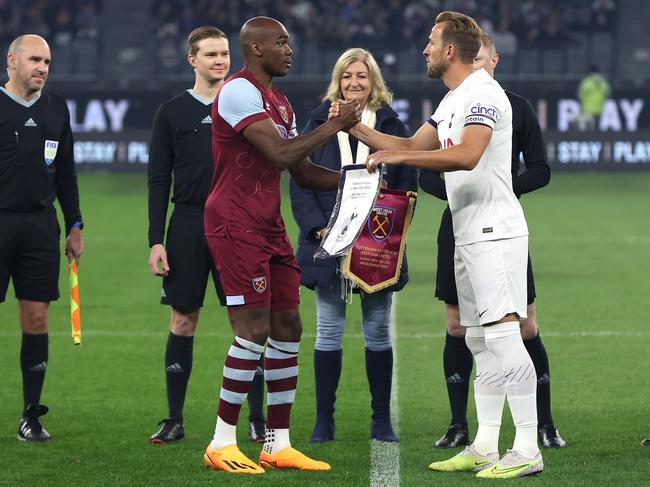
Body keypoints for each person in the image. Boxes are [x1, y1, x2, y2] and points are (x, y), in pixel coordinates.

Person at [335, 11, 544, 478]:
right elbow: (408, 141)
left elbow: (468, 154)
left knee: (505, 336)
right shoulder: (454, 97)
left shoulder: (484, 94)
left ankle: (528, 447)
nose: (424, 50)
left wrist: (403, 155)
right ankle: (486, 444)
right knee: (477, 338)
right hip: (467, 231)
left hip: (494, 231)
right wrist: (353, 128)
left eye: (431, 42)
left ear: (451, 50)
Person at [201, 16, 361, 474]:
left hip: (267, 224)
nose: (289, 50)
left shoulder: (280, 102)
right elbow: (281, 155)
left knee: (288, 327)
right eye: (281, 43)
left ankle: (277, 443)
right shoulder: (238, 92)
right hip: (234, 223)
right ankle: (221, 442)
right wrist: (337, 125)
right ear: (255, 48)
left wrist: (361, 184)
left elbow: (304, 171)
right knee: (252, 331)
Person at [419, 32, 565, 450]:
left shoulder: (506, 104)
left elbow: (539, 168)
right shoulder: (450, 104)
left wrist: (500, 187)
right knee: (465, 331)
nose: (477, 65)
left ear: (493, 60)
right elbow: (426, 164)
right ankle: (466, 431)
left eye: (483, 59)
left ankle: (536, 432)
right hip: (461, 223)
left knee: (518, 328)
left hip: (497, 225)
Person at [289, 48, 417, 444]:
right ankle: (324, 421)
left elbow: (406, 184)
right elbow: (299, 183)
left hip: (376, 246)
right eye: (347, 76)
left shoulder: (393, 125)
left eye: (362, 75)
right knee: (328, 333)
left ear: (374, 81)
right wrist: (317, 231)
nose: (354, 83)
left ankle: (381, 420)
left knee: (378, 332)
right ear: (337, 81)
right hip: (328, 244)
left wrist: (383, 232)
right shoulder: (316, 122)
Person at [147, 26, 266, 445]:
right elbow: (159, 179)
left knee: (248, 322)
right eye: (211, 54)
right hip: (188, 225)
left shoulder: (247, 105)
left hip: (238, 225)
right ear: (191, 59)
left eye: (224, 54)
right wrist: (155, 240)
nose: (220, 61)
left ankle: (256, 419)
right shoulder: (172, 112)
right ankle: (174, 418)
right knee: (183, 319)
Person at [0, 34, 83, 442]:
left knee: (36, 319)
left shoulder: (56, 107)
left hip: (39, 227)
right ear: (11, 61)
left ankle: (30, 415)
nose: (43, 68)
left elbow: (65, 171)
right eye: (35, 60)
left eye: (48, 61)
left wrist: (76, 225)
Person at [577, 64, 610, 131]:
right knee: (597, 129)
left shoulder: (587, 81)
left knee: (588, 130)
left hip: (587, 109)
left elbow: (580, 94)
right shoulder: (603, 82)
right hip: (599, 109)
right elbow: (607, 92)